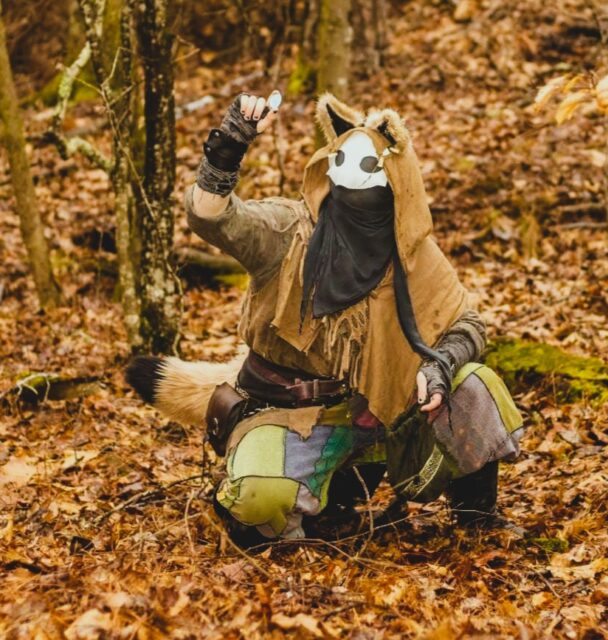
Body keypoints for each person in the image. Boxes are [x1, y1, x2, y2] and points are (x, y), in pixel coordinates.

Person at [126, 92, 524, 545]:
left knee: (474, 385)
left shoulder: (413, 251)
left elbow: (468, 325)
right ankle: (306, 499)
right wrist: (228, 146)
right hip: (286, 410)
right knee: (257, 504)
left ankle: (477, 519)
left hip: (381, 411)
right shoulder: (287, 231)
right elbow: (209, 217)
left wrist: (439, 365)